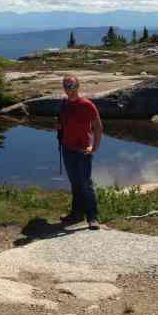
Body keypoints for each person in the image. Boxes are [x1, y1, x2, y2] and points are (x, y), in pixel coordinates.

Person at [57, 75, 103, 230]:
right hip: (67, 149)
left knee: (85, 184)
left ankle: (93, 217)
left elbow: (98, 127)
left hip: (83, 150)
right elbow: (62, 124)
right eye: (66, 86)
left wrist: (94, 147)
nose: (69, 89)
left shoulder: (86, 104)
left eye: (71, 86)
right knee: (75, 183)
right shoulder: (64, 104)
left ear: (78, 86)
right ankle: (76, 214)